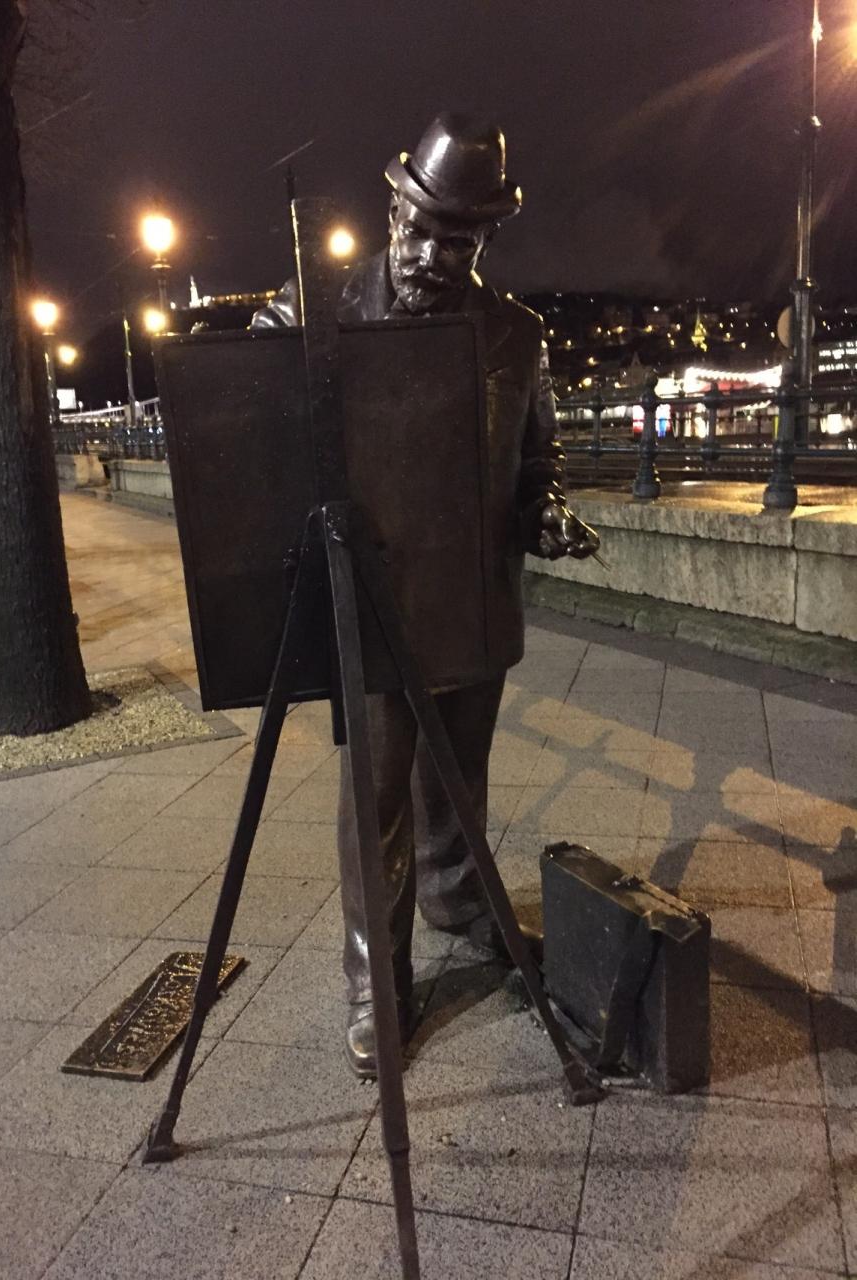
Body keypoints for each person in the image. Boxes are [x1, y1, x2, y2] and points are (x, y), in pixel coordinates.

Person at [252, 113, 599, 1077]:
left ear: (485, 238)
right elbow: (246, 412)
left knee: (457, 781)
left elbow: (537, 457)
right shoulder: (316, 306)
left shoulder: (513, 334)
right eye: (421, 230)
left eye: (459, 240)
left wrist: (545, 511)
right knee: (375, 800)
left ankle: (456, 898)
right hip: (369, 601)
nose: (433, 256)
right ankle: (375, 978)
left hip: (470, 600)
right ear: (393, 209)